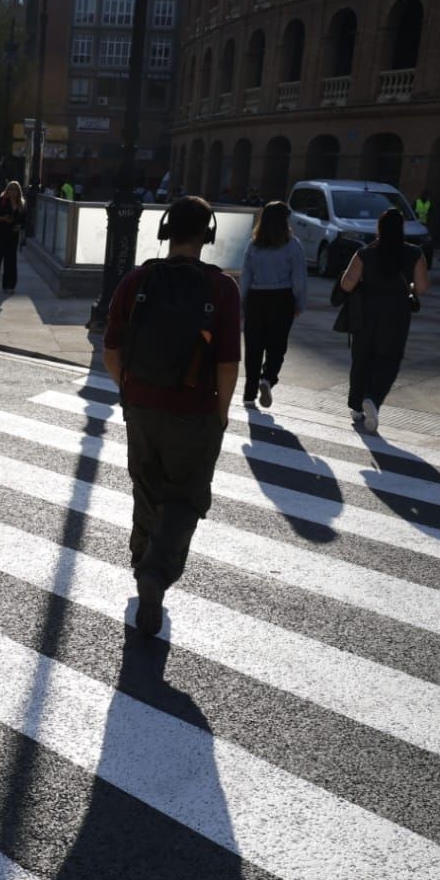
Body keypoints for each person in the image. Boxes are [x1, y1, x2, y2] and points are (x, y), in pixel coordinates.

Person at [102, 196, 241, 636]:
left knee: (147, 485)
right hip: (194, 410)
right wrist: (221, 413)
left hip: (142, 406)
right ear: (207, 234)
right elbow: (228, 363)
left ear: (166, 231)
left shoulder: (137, 280)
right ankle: (155, 572)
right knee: (185, 496)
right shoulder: (222, 289)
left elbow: (110, 350)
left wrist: (129, 389)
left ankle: (141, 558)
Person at [339, 207, 429, 434]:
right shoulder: (415, 253)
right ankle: (373, 398)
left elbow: (346, 284)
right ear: (402, 228)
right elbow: (422, 287)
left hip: (366, 312)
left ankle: (356, 406)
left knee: (361, 359)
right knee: (389, 360)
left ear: (379, 228)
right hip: (397, 315)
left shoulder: (365, 253)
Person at [238, 200, 307, 409]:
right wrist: (299, 303)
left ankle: (249, 394)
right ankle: (267, 378)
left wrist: (242, 304)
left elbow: (245, 276)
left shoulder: (253, 245)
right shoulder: (293, 245)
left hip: (256, 298)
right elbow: (299, 279)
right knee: (277, 345)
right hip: (282, 298)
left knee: (253, 347)